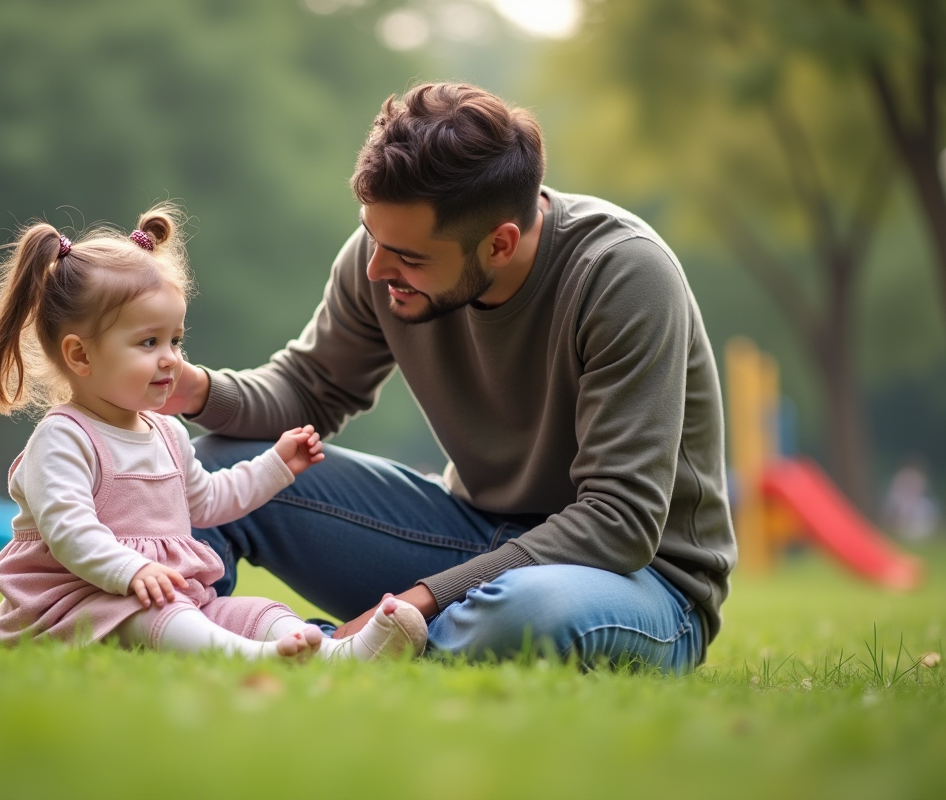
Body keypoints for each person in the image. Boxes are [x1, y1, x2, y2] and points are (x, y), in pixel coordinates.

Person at [160, 83, 737, 673]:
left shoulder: (622, 276)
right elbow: (309, 389)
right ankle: (173, 630)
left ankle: (323, 653)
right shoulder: (383, 255)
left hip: (634, 580)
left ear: (499, 244)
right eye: (373, 237)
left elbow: (618, 523)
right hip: (472, 531)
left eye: (409, 257)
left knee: (524, 612)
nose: (378, 268)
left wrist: (425, 596)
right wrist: (196, 389)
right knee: (225, 462)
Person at [0, 205, 427, 661]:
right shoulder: (65, 438)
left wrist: (275, 466)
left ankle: (335, 653)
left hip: (167, 597)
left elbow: (208, 501)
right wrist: (131, 570)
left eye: (176, 339)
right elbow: (68, 528)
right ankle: (255, 657)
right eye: (149, 342)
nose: (171, 358)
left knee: (258, 611)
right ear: (80, 356)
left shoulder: (167, 433)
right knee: (163, 617)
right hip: (75, 609)